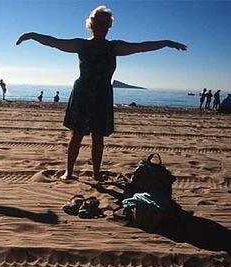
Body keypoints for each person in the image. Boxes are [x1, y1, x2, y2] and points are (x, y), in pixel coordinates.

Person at [16, 5, 186, 181]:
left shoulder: (114, 47)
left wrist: (166, 43)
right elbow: (56, 42)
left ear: (109, 26)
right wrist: (32, 35)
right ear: (91, 23)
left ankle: (97, 173)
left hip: (102, 94)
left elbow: (141, 47)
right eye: (98, 21)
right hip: (82, 93)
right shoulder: (82, 45)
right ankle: (69, 171)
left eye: (105, 22)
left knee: (98, 137)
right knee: (77, 135)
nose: (101, 25)